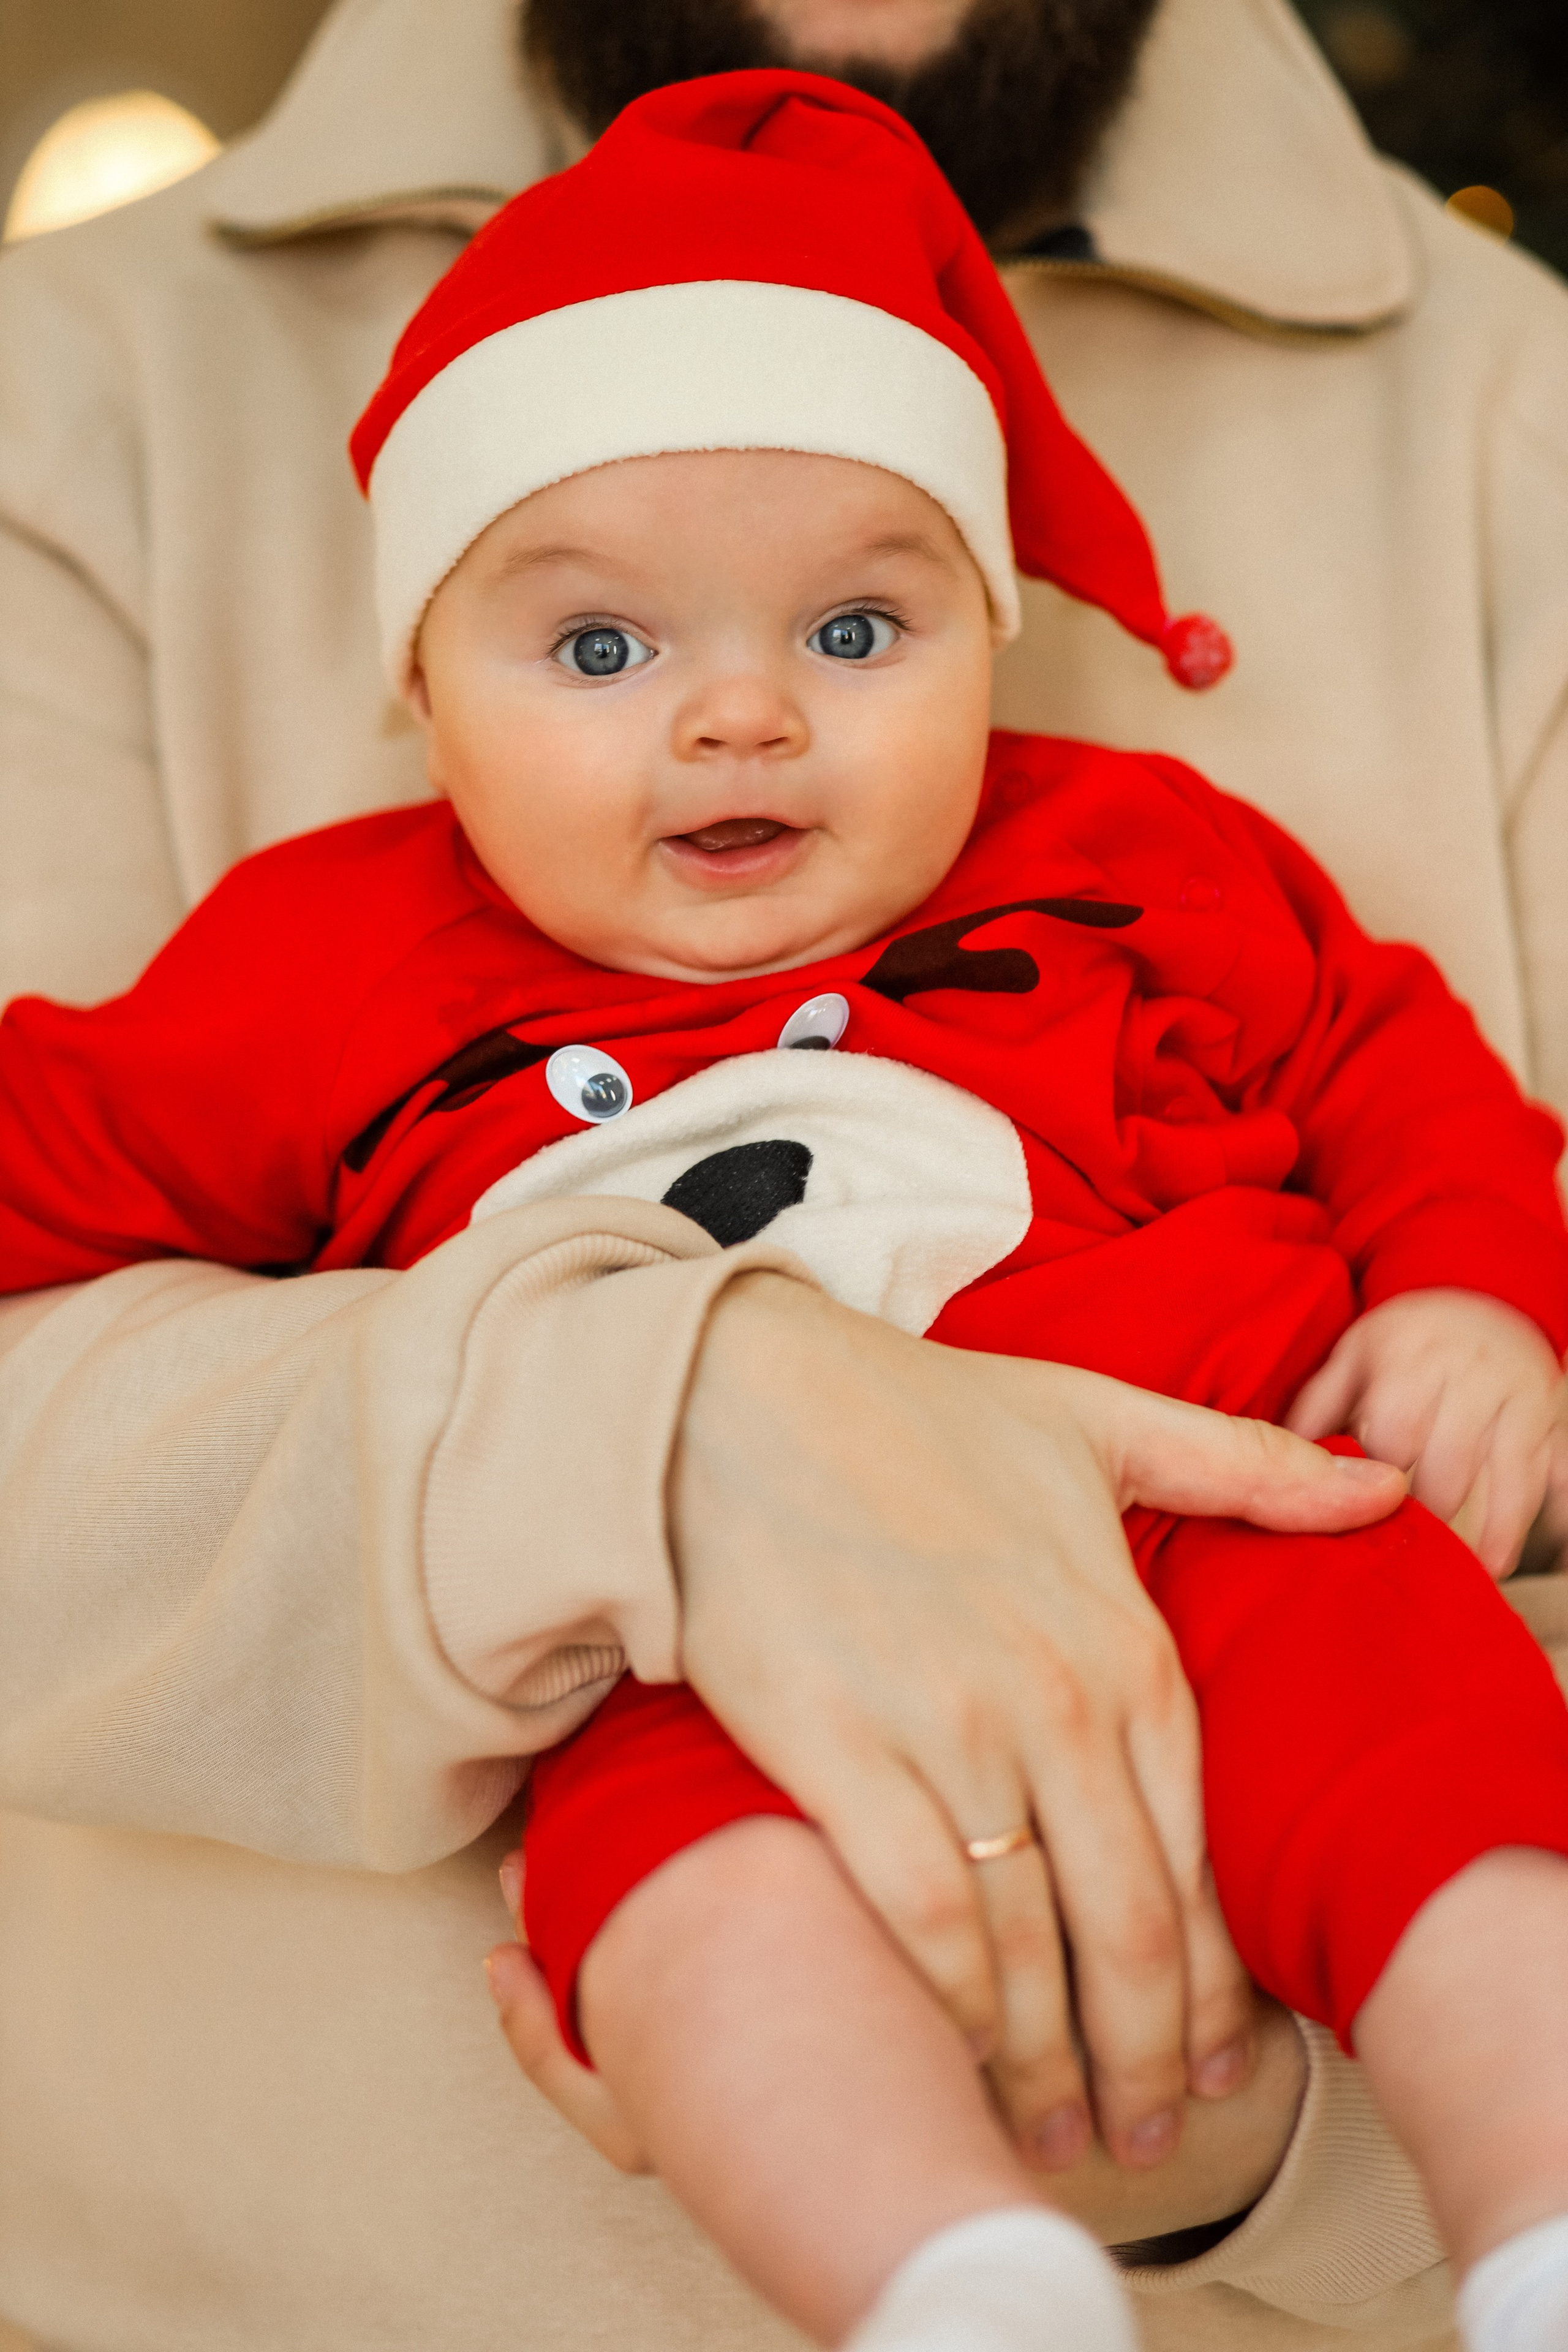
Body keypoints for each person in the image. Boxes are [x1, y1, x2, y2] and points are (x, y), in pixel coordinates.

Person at [1, 2, 1564, 2348]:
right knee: (690, 1928)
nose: (743, 712)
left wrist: (1468, 1290)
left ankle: (1538, 2212)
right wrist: (635, 1430)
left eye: (856, 629)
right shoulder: (319, 961)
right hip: (648, 1652)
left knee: (1459, 1797)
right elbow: (57, 1161)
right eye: (599, 644)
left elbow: (1383, 1051)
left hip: (1236, 1512)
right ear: (424, 690)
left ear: (991, 637)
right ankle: (948, 2284)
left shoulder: (1138, 846)